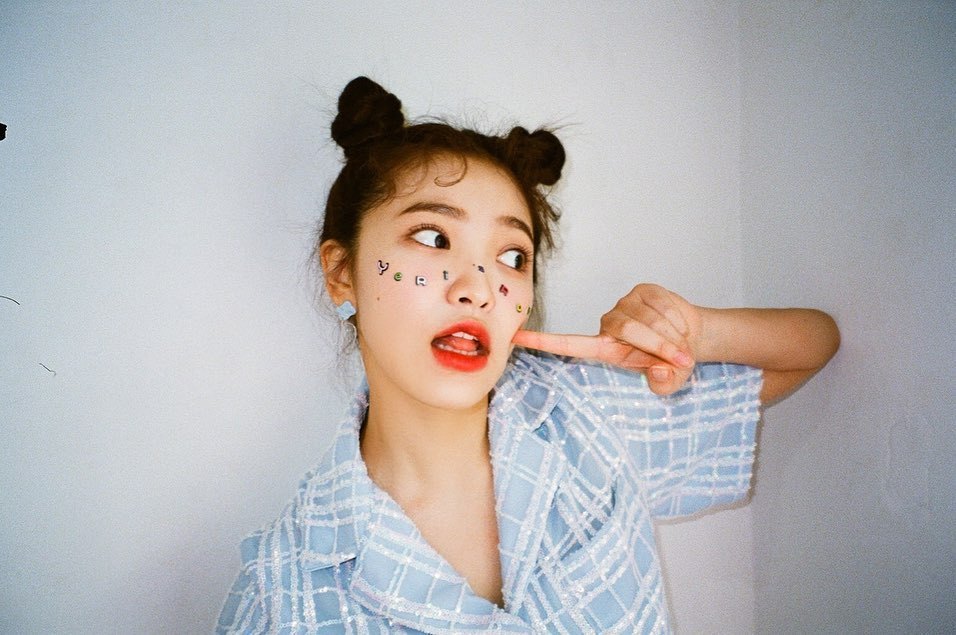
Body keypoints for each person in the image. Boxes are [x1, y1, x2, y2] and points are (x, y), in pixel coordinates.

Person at [217, 76, 840, 634]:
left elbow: (812, 343)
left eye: (512, 257)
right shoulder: (284, 598)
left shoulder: (585, 413)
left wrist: (693, 333)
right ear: (341, 274)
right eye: (433, 237)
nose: (480, 287)